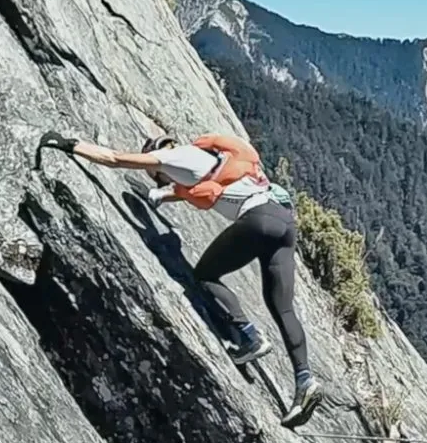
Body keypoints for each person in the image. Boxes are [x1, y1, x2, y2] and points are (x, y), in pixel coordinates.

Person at [34, 130, 322, 427]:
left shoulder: (170, 158)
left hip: (257, 221)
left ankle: (249, 336)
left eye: (153, 174)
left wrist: (71, 145)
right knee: (282, 307)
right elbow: (192, 188)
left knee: (206, 275)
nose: (155, 177)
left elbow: (115, 159)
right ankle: (304, 380)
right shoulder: (210, 157)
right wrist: (160, 196)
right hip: (284, 223)